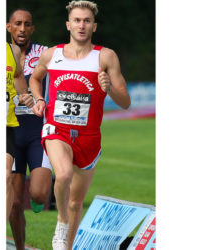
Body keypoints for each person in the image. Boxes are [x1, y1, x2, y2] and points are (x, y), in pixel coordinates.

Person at [29, 1, 131, 249]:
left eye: (86, 21)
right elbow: (35, 77)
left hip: (88, 137)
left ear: (94, 26)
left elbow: (125, 101)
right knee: (62, 174)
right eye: (77, 20)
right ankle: (61, 223)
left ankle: (68, 243)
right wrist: (39, 99)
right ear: (68, 24)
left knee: (76, 203)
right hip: (56, 128)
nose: (81, 25)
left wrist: (109, 89)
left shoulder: (105, 56)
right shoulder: (52, 54)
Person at [6, 8, 53, 250]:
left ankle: (37, 199)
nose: (22, 29)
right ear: (8, 27)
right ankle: (21, 247)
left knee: (38, 194)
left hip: (38, 131)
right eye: (17, 24)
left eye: (27, 24)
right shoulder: (2, 55)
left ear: (32, 28)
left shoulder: (45, 53)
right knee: (13, 203)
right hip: (12, 131)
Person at [6, 41, 34, 220]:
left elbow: (17, 76)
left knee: (5, 176)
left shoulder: (11, 50)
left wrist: (24, 95)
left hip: (6, 126)